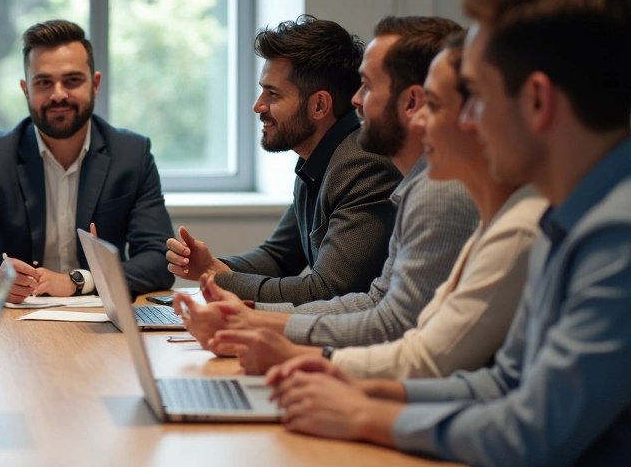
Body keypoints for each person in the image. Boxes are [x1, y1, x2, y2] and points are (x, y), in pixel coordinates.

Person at [265, 0, 631, 467]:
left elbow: (532, 438)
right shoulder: (568, 217)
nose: (465, 121)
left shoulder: (615, 234)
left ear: (536, 101)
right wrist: (360, 389)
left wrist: (370, 418)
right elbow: (503, 383)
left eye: (476, 96)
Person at [193, 34, 547, 378]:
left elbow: (399, 332)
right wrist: (250, 314)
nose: (357, 101)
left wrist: (272, 332)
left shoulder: (434, 190)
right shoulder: (410, 183)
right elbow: (378, 304)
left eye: (435, 105)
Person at [176, 17, 478, 351]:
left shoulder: (376, 167)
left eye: (368, 86)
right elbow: (372, 301)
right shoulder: (324, 162)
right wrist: (236, 299)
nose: (356, 100)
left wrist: (233, 295)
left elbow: (355, 303)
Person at [167, 15, 404, 306]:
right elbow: (277, 257)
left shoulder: (363, 166)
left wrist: (219, 278)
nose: (258, 105)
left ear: (319, 105)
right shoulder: (318, 160)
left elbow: (327, 290)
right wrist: (211, 265)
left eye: (272, 94)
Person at [0, 20, 174, 302]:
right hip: (18, 321)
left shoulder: (131, 153)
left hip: (101, 319)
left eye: (72, 80)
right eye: (44, 83)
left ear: (95, 84)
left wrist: (79, 281)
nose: (58, 94)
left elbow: (159, 259)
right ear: (26, 90)